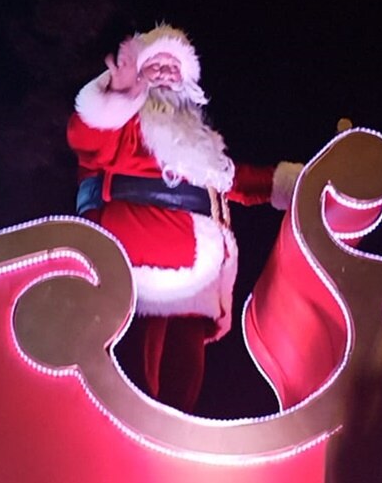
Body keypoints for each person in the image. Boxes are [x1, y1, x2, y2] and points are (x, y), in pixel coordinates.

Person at [67, 25, 303, 412]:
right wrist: (117, 95)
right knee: (132, 388)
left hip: (198, 282)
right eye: (154, 65)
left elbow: (237, 180)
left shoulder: (201, 140)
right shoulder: (125, 126)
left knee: (183, 389)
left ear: (187, 80)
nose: (163, 72)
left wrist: (295, 183)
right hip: (139, 274)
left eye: (171, 67)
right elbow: (87, 141)